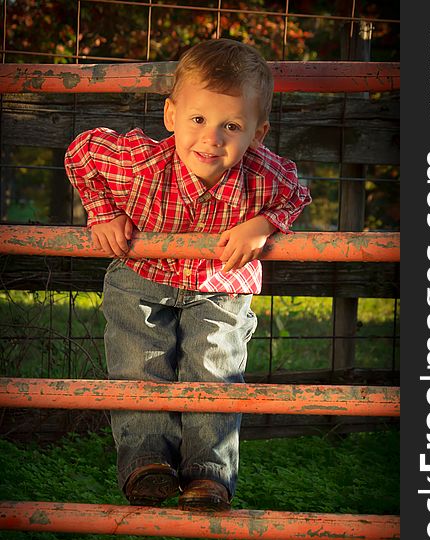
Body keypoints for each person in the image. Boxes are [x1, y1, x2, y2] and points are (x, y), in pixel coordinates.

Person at [64, 38, 311, 511]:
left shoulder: (264, 175)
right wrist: (101, 213)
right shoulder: (139, 164)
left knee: (215, 372)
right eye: (198, 119)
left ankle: (208, 477)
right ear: (171, 115)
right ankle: (147, 464)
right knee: (139, 366)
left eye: (231, 126)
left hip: (220, 288)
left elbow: (296, 193)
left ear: (257, 134)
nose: (211, 139)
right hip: (142, 278)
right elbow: (82, 152)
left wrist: (261, 227)